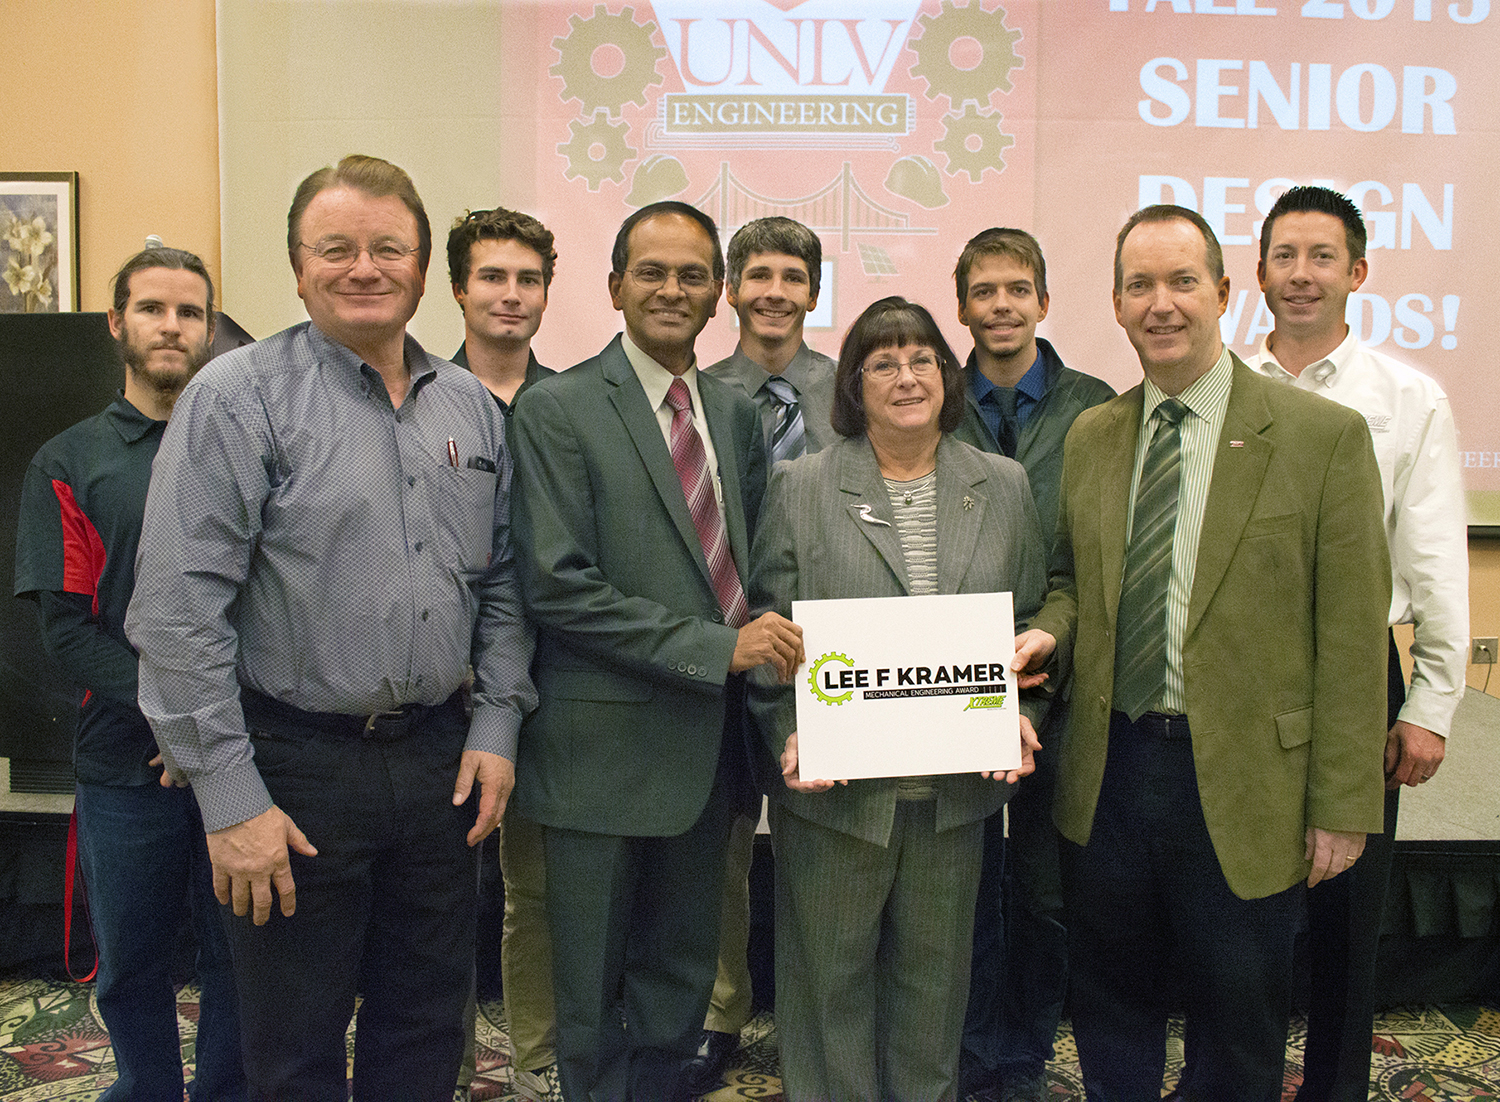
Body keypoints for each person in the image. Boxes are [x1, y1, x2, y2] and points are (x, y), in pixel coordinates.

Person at [125, 155, 536, 1101]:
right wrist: (230, 801)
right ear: (298, 266)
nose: (364, 268)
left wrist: (498, 726)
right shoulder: (239, 398)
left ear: (424, 269)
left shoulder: (471, 407)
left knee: (429, 1033)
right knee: (294, 1049)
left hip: (442, 769)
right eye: (337, 249)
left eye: (388, 248)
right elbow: (179, 613)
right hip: (293, 774)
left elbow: (505, 586)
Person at [1012, 204, 1392, 1100]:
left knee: (1239, 1022)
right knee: (1110, 1006)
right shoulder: (1094, 435)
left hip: (1247, 780)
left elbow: (1351, 640)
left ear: (1225, 292)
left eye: (1183, 281)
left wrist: (1343, 804)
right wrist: (1052, 629)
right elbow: (1072, 580)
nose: (1162, 304)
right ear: (1114, 304)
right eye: (1139, 285)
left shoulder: (1321, 438)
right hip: (1110, 769)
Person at [507, 200, 803, 1102]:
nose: (672, 289)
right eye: (652, 272)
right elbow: (559, 585)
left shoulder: (732, 411)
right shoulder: (556, 409)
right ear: (613, 288)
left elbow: (744, 568)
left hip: (710, 753)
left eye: (690, 275)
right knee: (591, 998)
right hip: (599, 753)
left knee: (681, 981)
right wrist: (719, 649)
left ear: (719, 293)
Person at [752, 295, 1047, 1102]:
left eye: (922, 360)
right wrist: (789, 730)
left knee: (933, 1001)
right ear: (853, 384)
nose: (906, 376)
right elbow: (766, 635)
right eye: (882, 362)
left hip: (954, 801)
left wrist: (1020, 716)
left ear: (949, 378)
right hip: (836, 800)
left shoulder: (1004, 485)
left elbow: (1030, 625)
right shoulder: (801, 487)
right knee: (827, 998)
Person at [1248, 185, 1468, 1102]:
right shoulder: (1219, 387)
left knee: (1346, 912)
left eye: (1322, 257)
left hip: (1354, 672)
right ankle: (1240, 1079)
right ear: (1256, 274)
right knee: (1243, 906)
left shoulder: (1407, 398)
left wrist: (1429, 705)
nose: (1303, 276)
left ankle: (1335, 1088)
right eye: (1285, 257)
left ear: (1359, 272)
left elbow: (1435, 558)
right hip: (1239, 674)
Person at [14, 246, 246, 1102]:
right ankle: (146, 1090)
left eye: (190, 313)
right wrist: (172, 718)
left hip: (240, 760)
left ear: (212, 329)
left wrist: (207, 731)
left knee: (241, 959)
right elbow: (65, 631)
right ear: (118, 324)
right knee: (132, 964)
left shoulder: (249, 451)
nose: (172, 327)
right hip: (124, 765)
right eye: (153, 309)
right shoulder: (69, 462)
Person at [949, 227, 1115, 1101]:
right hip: (950, 686)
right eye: (985, 291)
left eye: (1019, 289)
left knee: (1047, 894)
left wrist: (1055, 638)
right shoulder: (933, 399)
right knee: (965, 890)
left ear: (1045, 302)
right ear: (962, 301)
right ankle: (972, 1053)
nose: (1002, 306)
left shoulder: (1097, 407)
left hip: (1069, 679)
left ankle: (1025, 1055)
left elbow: (1103, 560)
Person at [693, 214, 835, 1092]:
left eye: (793, 276)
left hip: (833, 650)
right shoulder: (696, 392)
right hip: (727, 644)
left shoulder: (855, 388)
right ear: (731, 289)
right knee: (723, 846)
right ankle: (720, 1012)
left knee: (824, 842)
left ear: (814, 292)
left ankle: (823, 1015)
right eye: (759, 275)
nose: (775, 291)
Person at [447, 205, 560, 1102]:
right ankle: (438, 1068)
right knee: (438, 907)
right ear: (457, 288)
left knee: (537, 900)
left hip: (555, 697)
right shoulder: (413, 399)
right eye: (492, 276)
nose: (510, 295)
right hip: (440, 700)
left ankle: (534, 1065)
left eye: (527, 279)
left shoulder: (572, 408)